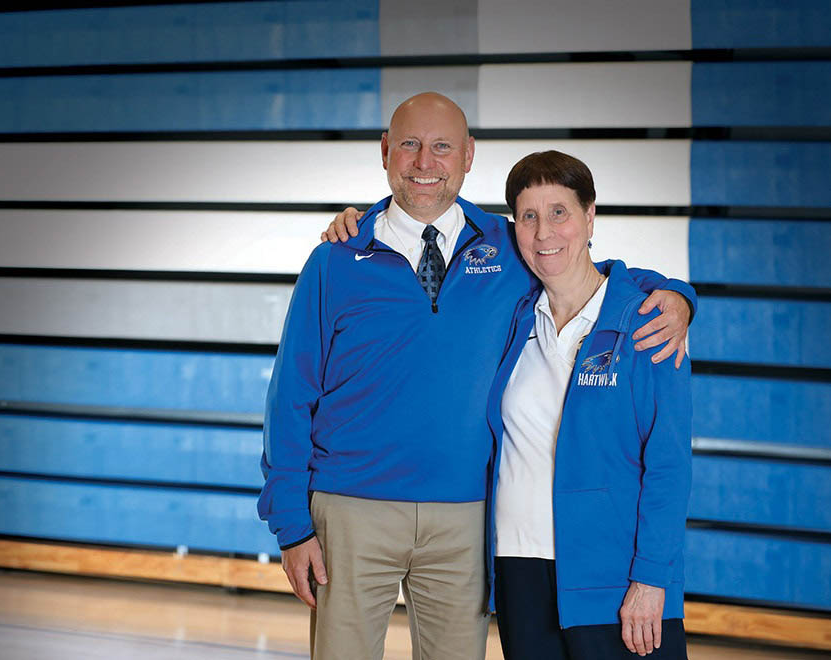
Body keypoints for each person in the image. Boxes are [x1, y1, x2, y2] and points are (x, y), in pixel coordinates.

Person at [259, 92, 695, 660]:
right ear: (386, 151)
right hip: (349, 509)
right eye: (410, 145)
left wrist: (679, 297)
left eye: (442, 146)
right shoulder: (337, 259)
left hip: (465, 517)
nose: (424, 162)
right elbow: (289, 396)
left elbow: (585, 268)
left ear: (468, 156)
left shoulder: (508, 246)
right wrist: (292, 525)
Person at [487, 151, 691, 659]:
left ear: (590, 215)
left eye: (560, 212)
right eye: (528, 216)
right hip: (520, 569)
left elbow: (669, 465)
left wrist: (650, 578)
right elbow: (433, 211)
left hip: (615, 577)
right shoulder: (511, 320)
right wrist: (361, 221)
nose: (543, 232)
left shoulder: (648, 323)